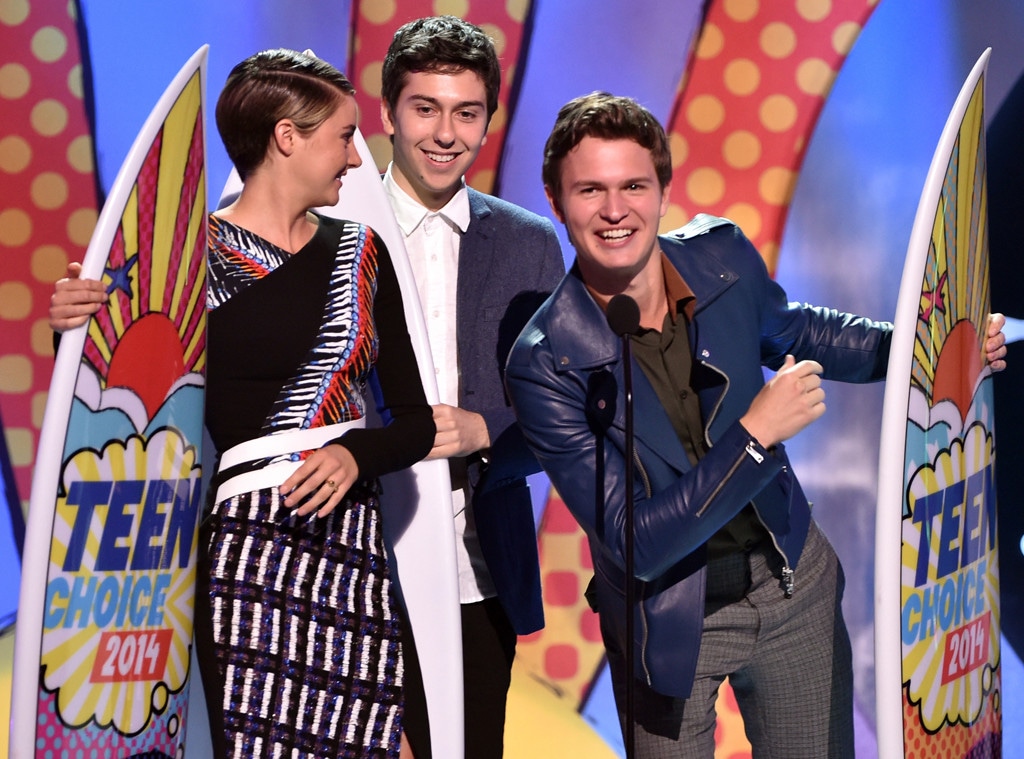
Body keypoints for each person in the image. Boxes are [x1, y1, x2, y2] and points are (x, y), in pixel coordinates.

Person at [503, 92, 1008, 758]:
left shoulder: (723, 258)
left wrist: (930, 348)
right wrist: (753, 436)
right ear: (554, 197)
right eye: (590, 189)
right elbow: (639, 541)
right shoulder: (546, 361)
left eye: (633, 184)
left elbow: (798, 330)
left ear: (662, 188)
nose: (615, 209)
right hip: (666, 625)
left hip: (790, 584)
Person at [51, 49, 435, 759]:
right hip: (248, 554)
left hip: (353, 548)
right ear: (287, 136)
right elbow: (110, 400)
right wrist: (74, 329)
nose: (356, 158)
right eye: (343, 136)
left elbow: (416, 422)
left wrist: (354, 453)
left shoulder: (363, 252)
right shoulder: (184, 257)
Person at [378, 16, 565, 758]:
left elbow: (571, 407)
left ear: (489, 120)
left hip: (475, 564)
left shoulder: (527, 241)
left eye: (467, 112)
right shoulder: (329, 226)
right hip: (344, 557)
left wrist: (488, 431)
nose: (445, 133)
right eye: (426, 107)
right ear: (389, 109)